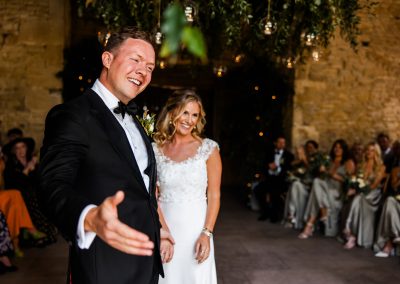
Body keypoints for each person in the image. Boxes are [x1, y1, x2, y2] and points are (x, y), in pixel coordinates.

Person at [39, 27, 169, 284]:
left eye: (151, 68)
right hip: (104, 265)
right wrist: (88, 217)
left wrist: (160, 230)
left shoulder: (136, 119)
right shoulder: (72, 115)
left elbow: (142, 188)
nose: (144, 72)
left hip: (146, 260)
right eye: (136, 59)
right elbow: (51, 184)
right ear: (108, 59)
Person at [152, 89, 222, 284]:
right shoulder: (155, 150)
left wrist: (206, 233)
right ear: (173, 112)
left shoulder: (209, 149)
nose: (189, 120)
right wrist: (162, 232)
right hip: (166, 228)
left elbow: (214, 195)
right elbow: (152, 196)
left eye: (194, 115)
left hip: (196, 229)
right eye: (185, 112)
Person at [4, 137, 57, 246]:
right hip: (20, 198)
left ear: (27, 148)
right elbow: (15, 185)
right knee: (32, 196)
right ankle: (34, 233)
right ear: (14, 151)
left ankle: (42, 234)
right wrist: (27, 170)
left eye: (23, 147)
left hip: (37, 194)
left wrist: (35, 169)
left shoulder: (34, 163)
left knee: (43, 195)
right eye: (17, 148)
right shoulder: (10, 166)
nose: (20, 150)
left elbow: (41, 181)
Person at [299, 139, 351, 238]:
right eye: (335, 146)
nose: (337, 149)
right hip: (325, 186)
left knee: (316, 191)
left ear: (344, 149)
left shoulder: (348, 162)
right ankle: (314, 219)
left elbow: (349, 181)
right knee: (317, 181)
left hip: (336, 190)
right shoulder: (328, 160)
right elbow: (320, 175)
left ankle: (310, 224)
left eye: (340, 147)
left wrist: (336, 176)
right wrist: (322, 170)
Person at [343, 142, 385, 249]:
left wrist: (359, 190)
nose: (368, 152)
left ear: (376, 152)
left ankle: (350, 230)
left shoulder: (381, 167)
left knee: (358, 197)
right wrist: (354, 187)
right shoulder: (361, 165)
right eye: (367, 150)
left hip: (373, 195)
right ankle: (352, 234)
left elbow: (374, 185)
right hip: (362, 193)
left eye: (371, 150)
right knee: (358, 198)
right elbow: (356, 179)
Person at [254, 136, 294, 223]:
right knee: (258, 190)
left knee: (275, 193)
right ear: (275, 143)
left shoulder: (289, 155)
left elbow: (288, 169)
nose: (282, 144)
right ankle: (265, 212)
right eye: (279, 142)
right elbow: (263, 165)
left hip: (281, 180)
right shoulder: (269, 153)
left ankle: (274, 215)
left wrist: (277, 168)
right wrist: (269, 167)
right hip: (269, 179)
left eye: (283, 143)